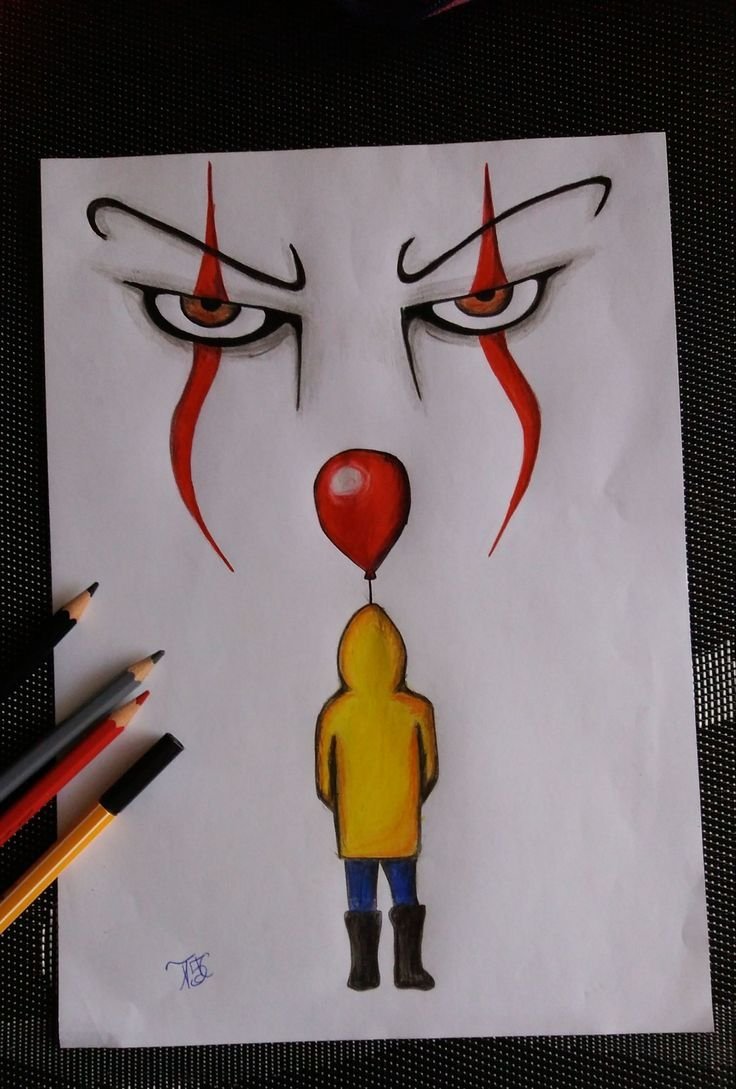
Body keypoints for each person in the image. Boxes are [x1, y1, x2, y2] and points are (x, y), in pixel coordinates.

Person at [315, 603, 438, 990]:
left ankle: (363, 971)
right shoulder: (417, 710)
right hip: (401, 829)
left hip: (356, 832)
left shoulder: (335, 713)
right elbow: (430, 772)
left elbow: (324, 783)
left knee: (361, 901)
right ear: (398, 652)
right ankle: (409, 969)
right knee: (405, 896)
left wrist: (347, 809)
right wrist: (407, 802)